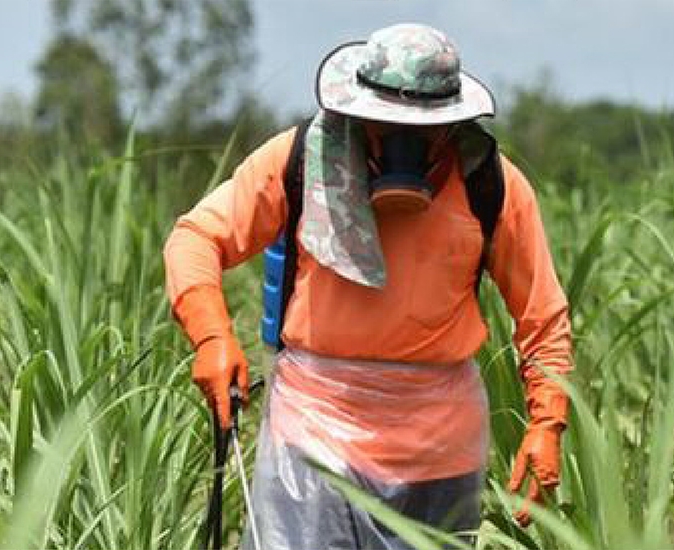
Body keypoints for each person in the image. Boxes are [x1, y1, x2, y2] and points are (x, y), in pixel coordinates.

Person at [163, 22, 572, 550]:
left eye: (423, 134)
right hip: (313, 435)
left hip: (439, 448)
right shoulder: (300, 162)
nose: (406, 144)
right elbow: (196, 237)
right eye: (386, 127)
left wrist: (548, 422)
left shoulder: (488, 181)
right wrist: (212, 337)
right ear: (357, 114)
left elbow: (542, 315)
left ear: (450, 126)